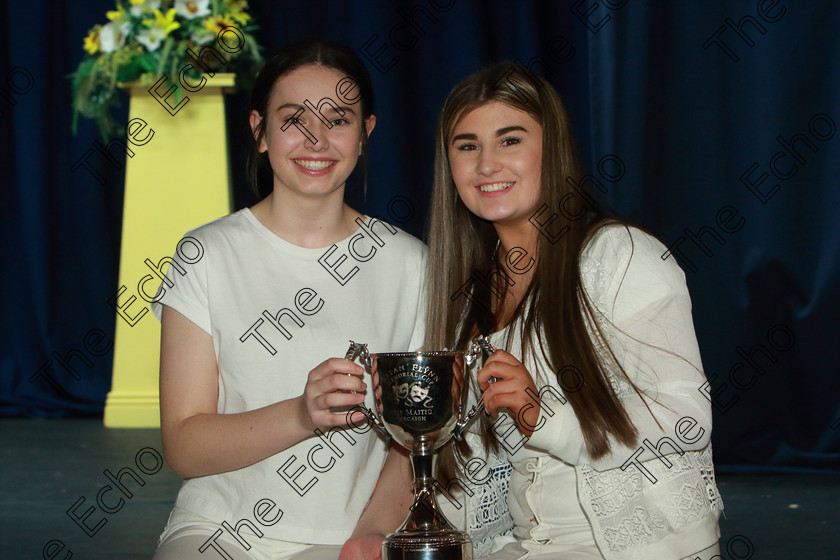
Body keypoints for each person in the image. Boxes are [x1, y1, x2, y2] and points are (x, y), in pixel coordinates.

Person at [424, 62, 724, 560]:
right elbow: (477, 465)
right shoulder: (467, 292)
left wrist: (542, 416)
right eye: (467, 145)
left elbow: (687, 417)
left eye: (510, 140)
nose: (486, 165)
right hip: (523, 545)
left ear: (553, 148)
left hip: (631, 548)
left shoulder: (621, 255)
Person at [150, 39, 419, 560]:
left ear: (365, 134)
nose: (316, 139)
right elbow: (184, 444)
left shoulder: (412, 264)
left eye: (338, 119)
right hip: (217, 533)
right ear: (260, 132)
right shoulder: (204, 254)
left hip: (347, 538)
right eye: (294, 118)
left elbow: (416, 440)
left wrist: (371, 535)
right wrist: (301, 413)